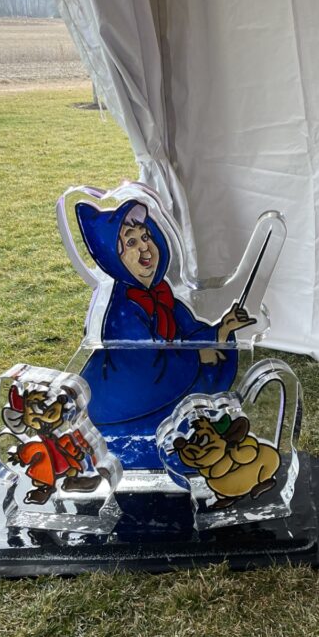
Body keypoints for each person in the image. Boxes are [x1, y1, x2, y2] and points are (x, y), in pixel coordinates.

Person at [74, 198, 254, 470]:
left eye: (145, 236)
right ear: (113, 257)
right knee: (146, 443)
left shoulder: (164, 296)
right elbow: (145, 371)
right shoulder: (123, 314)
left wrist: (220, 331)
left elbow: (189, 331)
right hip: (125, 409)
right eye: (131, 243)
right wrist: (196, 358)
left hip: (164, 390)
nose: (144, 246)